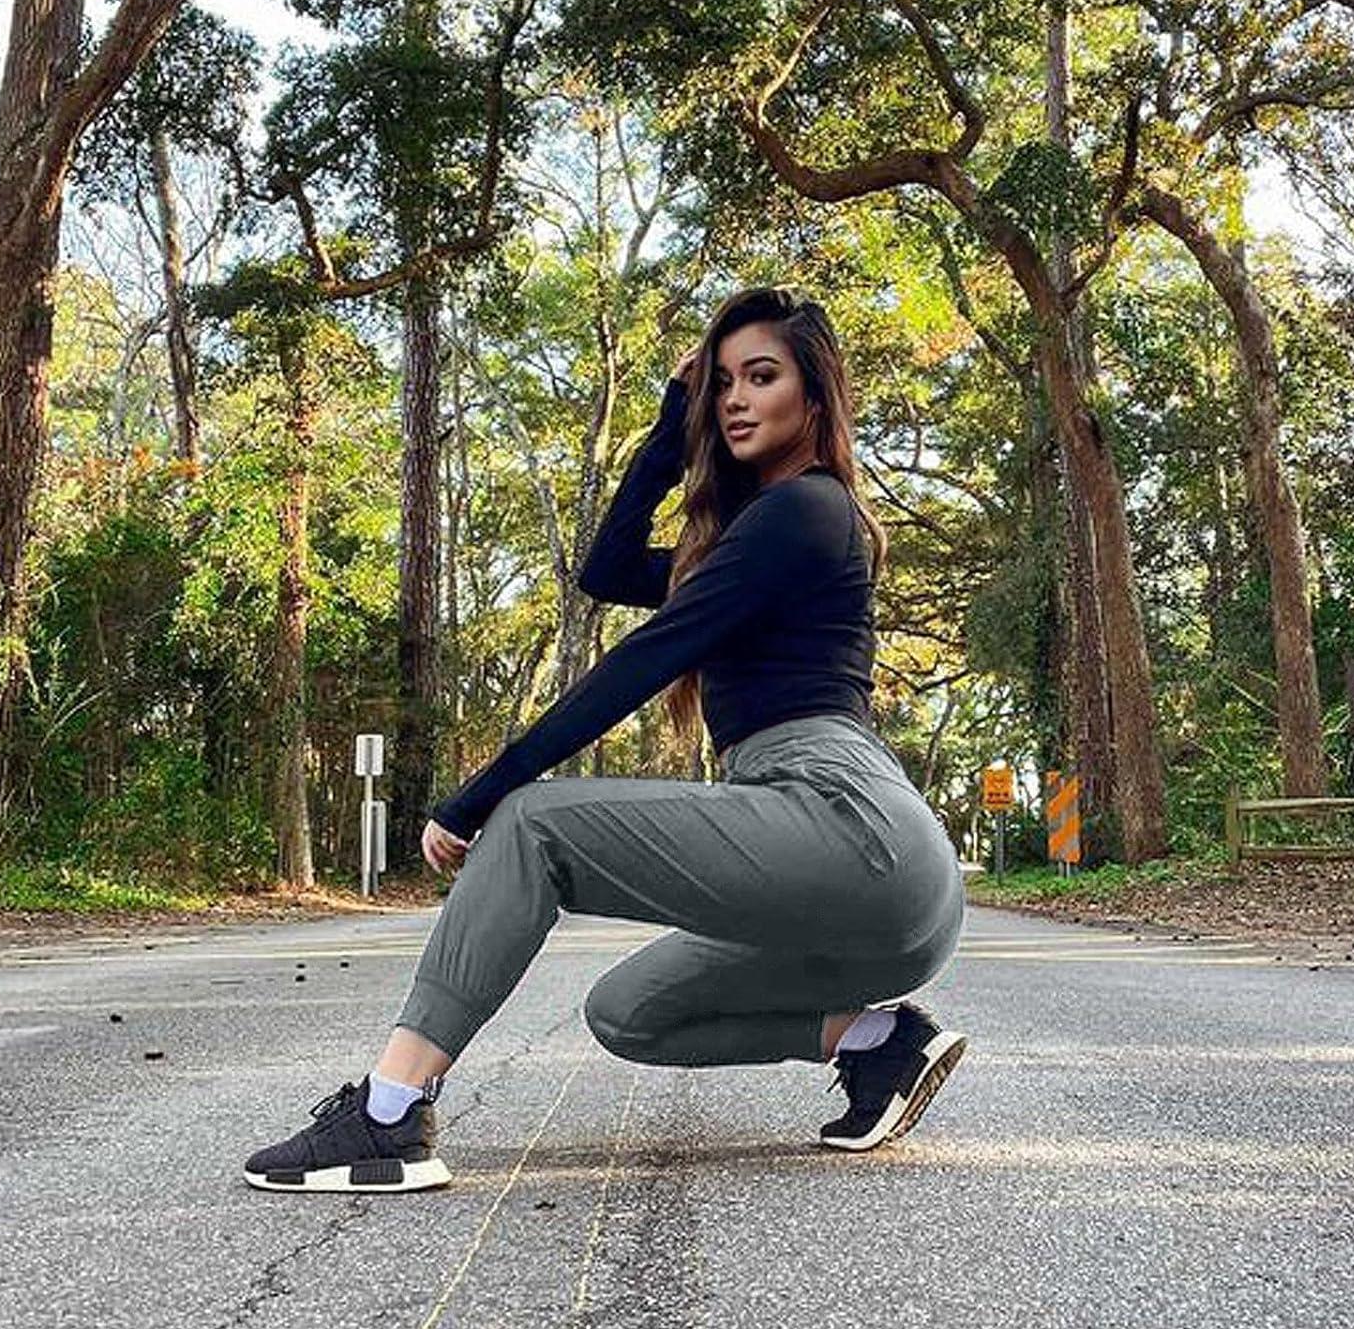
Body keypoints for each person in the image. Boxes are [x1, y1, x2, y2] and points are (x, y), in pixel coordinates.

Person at [243, 285, 967, 1194]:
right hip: (866, 893)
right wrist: (671, 426)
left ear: (815, 395)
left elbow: (643, 660)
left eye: (762, 377)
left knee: (533, 823)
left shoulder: (807, 512)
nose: (736, 400)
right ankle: (877, 1039)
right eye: (722, 384)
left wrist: (480, 795)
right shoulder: (753, 537)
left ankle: (388, 1112)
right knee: (630, 1011)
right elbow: (609, 568)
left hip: (848, 820)